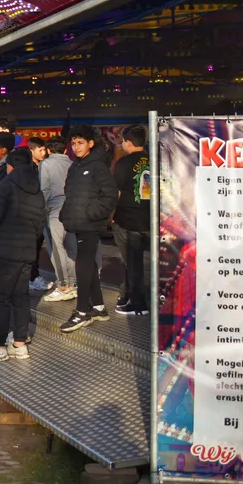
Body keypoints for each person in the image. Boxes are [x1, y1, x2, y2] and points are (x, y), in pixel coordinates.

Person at [0, 148, 46, 360]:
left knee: (1, 298)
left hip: (4, 251)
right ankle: (19, 343)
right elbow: (39, 224)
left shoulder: (4, 187)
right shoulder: (36, 189)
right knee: (20, 296)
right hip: (26, 251)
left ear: (10, 166)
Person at [59, 126, 118, 333]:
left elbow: (110, 195)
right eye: (73, 143)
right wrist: (67, 213)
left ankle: (82, 311)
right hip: (78, 222)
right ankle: (99, 307)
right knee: (88, 263)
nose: (76, 147)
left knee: (83, 264)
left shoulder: (98, 166)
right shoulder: (75, 166)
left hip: (89, 223)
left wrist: (93, 213)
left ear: (90, 143)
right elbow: (71, 194)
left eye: (80, 143)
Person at [112, 125, 151, 317]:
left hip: (128, 220)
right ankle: (127, 295)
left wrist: (110, 216)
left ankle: (139, 304)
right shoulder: (155, 160)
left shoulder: (123, 163)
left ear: (128, 142)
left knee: (133, 264)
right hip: (151, 220)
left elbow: (116, 193)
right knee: (143, 263)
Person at [39, 136, 77, 303]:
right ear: (65, 149)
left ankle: (63, 285)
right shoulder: (73, 164)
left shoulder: (45, 164)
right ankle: (73, 283)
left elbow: (44, 190)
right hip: (72, 209)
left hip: (54, 210)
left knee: (56, 248)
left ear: (48, 150)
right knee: (71, 248)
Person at [26, 138, 53, 294]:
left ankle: (33, 276)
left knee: (36, 247)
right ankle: (32, 277)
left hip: (41, 212)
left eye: (45, 150)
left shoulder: (44, 166)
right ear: (32, 150)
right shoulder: (29, 169)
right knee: (32, 247)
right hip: (32, 213)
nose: (44, 153)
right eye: (41, 150)